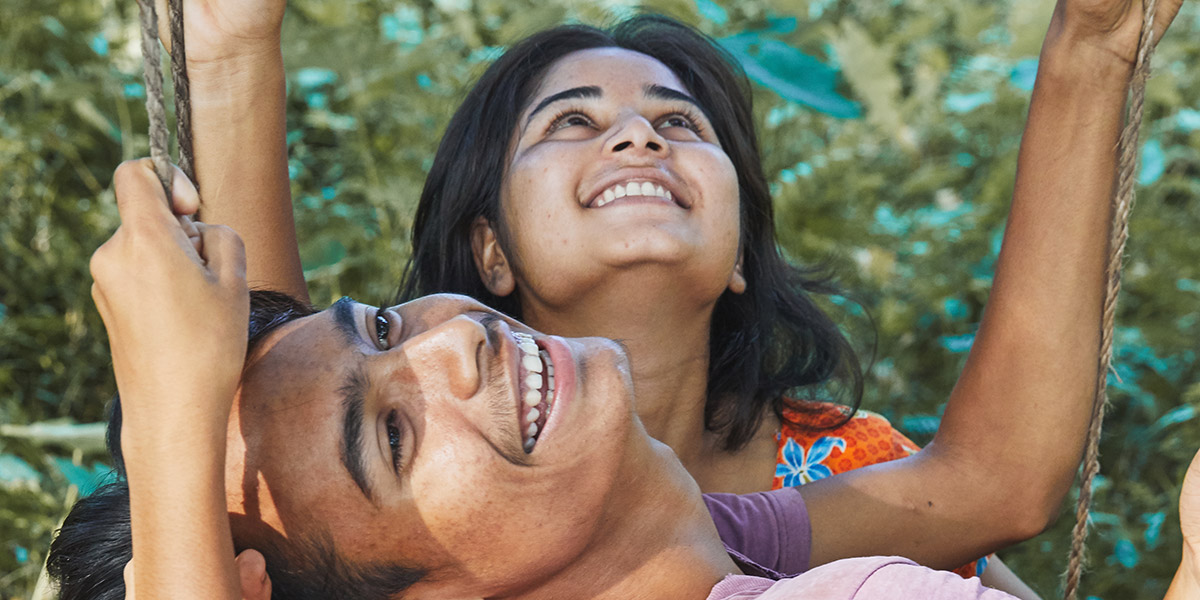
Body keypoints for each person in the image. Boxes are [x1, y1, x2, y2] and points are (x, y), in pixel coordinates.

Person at [142, 0, 1183, 589]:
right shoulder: (434, 479)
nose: (639, 136)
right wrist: (231, 47)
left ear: (738, 253)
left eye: (683, 125)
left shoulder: (804, 487)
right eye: (572, 124)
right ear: (488, 254)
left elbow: (1001, 485)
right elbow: (277, 427)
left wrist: (1091, 43)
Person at [50, 158, 1200, 600]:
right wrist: (167, 418)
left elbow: (991, 481)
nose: (454, 345)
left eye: (386, 321)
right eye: (393, 437)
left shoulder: (740, 533)